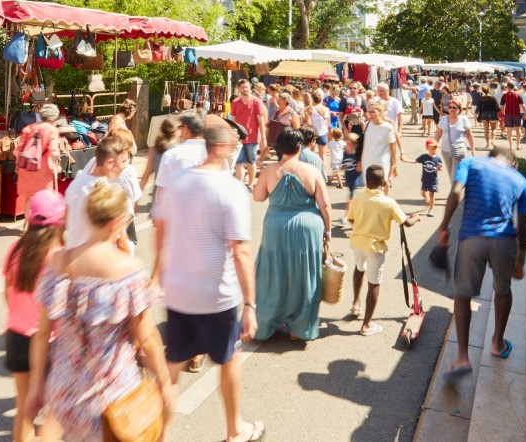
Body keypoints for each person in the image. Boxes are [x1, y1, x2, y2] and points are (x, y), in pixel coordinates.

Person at [28, 181, 175, 442]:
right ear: (116, 222)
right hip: (111, 395)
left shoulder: (59, 263)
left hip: (65, 394)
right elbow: (148, 337)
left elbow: (41, 335)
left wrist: (36, 384)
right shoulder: (128, 270)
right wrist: (164, 381)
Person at [152, 123, 264, 442]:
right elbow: (240, 250)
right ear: (225, 147)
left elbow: (160, 230)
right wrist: (250, 304)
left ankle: (157, 436)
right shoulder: (231, 189)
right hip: (216, 294)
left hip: (179, 291)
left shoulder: (177, 183)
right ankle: (235, 429)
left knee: (173, 366)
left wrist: (160, 273)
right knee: (229, 360)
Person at [438, 146, 526, 374]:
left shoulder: (471, 163)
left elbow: (456, 191)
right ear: (513, 163)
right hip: (503, 241)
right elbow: (525, 223)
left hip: (472, 238)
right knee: (502, 290)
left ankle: (462, 358)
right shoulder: (521, 180)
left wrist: (444, 226)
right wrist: (521, 258)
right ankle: (497, 344)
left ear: (491, 156)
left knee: (463, 295)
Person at [253, 128, 331, 342]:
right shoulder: (312, 170)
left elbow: (258, 197)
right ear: (299, 147)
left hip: (276, 227)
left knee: (274, 273)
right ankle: (299, 328)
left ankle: (270, 321)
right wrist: (328, 230)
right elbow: (325, 205)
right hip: (307, 227)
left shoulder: (270, 170)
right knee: (303, 275)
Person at [3, 190, 65, 442]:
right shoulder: (58, 256)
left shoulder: (14, 249)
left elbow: (7, 294)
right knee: (57, 409)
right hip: (51, 340)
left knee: (25, 409)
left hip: (16, 336)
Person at [347, 165, 421, 336]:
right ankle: (366, 325)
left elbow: (351, 219)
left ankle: (356, 303)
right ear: (384, 182)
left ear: (367, 180)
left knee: (359, 270)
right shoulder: (389, 202)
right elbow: (406, 223)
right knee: (374, 283)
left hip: (357, 243)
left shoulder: (358, 197)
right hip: (375, 247)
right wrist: (415, 218)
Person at [63, 135, 139, 249]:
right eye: (123, 161)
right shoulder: (109, 193)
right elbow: (121, 240)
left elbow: (65, 221)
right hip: (96, 259)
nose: (125, 166)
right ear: (109, 163)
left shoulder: (75, 184)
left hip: (73, 255)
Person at [155, 108, 208, 196]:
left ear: (186, 129)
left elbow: (161, 192)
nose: (180, 131)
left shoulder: (171, 155)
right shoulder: (215, 156)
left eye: (180, 127)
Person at [17, 103, 62, 201]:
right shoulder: (52, 130)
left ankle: (28, 217)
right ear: (54, 117)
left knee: (29, 199)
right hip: (42, 170)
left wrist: (18, 165)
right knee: (43, 200)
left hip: (26, 167)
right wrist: (55, 167)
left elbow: (19, 149)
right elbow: (54, 152)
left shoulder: (29, 127)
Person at [230, 79, 267, 188]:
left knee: (251, 162)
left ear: (250, 87)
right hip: (239, 138)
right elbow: (233, 120)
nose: (245, 89)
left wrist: (263, 138)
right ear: (239, 89)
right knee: (239, 162)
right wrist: (233, 135)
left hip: (252, 137)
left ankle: (250, 184)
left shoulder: (256, 101)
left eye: (246, 87)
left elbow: (261, 120)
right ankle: (239, 186)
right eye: (242, 87)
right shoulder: (236, 102)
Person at [360, 99, 402, 194]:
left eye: (373, 112)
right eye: (369, 112)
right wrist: (359, 160)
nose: (370, 114)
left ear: (380, 112)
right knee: (369, 185)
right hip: (367, 160)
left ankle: (384, 200)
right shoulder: (367, 125)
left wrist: (394, 165)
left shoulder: (388, 128)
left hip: (381, 161)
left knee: (383, 182)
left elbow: (393, 148)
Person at [434, 98, 475, 184]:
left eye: (454, 107)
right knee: (450, 173)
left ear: (459, 109)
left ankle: (456, 194)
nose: (452, 109)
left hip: (459, 151)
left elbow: (470, 136)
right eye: (450, 107)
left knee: (455, 174)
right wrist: (434, 145)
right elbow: (438, 134)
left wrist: (473, 150)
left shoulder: (464, 120)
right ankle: (456, 192)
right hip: (445, 150)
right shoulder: (443, 119)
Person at [140, 116, 179, 198]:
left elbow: (146, 174)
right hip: (174, 197)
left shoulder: (154, 149)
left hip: (158, 195)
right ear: (176, 131)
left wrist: (138, 197)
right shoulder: (179, 150)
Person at [414, 139, 443, 217]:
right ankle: (428, 199)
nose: (434, 149)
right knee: (423, 192)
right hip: (425, 179)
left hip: (433, 180)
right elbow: (415, 161)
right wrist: (405, 160)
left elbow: (440, 169)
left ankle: (431, 210)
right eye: (432, 147)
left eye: (435, 147)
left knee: (432, 194)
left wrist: (438, 168)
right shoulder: (424, 157)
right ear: (427, 148)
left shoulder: (438, 159)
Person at [500, 82, 524, 151]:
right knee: (518, 130)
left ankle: (511, 146)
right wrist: (525, 113)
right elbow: (522, 105)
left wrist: (503, 113)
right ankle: (518, 145)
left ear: (507, 87)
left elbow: (501, 106)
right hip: (516, 114)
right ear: (513, 87)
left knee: (509, 130)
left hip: (508, 114)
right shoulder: (518, 95)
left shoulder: (504, 96)